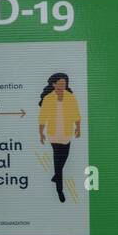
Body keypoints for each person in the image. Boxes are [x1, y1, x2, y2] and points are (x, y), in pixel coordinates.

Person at [37, 73, 82, 203]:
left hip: (66, 132)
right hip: (53, 134)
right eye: (61, 83)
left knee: (64, 157)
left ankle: (57, 176)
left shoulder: (70, 97)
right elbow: (42, 117)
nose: (63, 85)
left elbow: (76, 114)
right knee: (58, 162)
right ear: (54, 84)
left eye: (65, 83)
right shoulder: (48, 99)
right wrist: (41, 133)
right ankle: (59, 190)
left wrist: (78, 128)